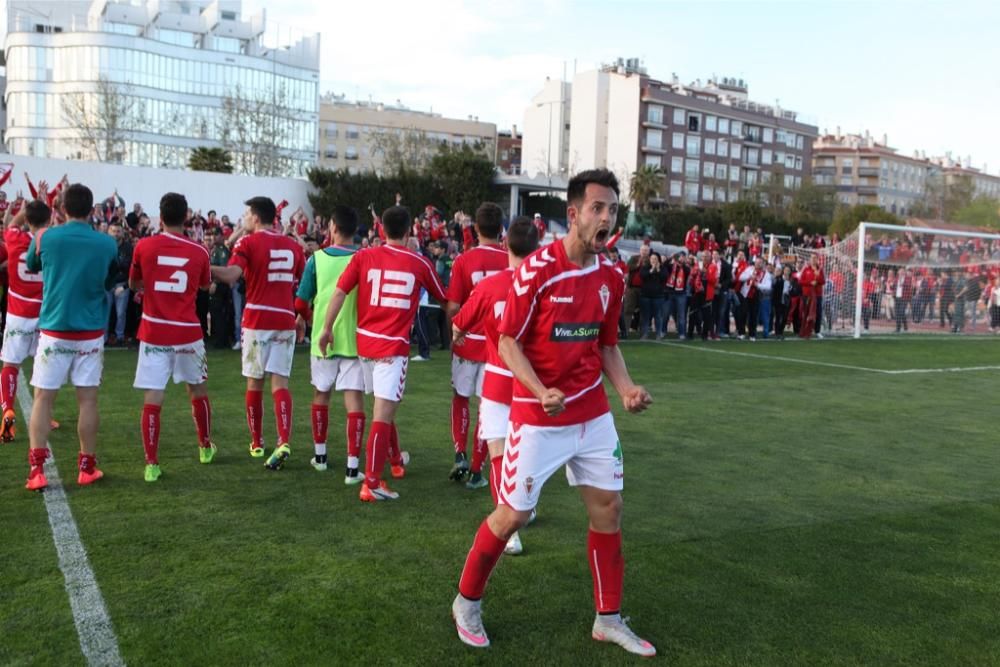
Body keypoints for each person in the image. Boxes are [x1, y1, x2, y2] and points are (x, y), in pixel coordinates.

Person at [451, 169, 655, 657]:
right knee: (513, 514)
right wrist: (540, 389)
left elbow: (607, 345)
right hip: (538, 416)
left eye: (613, 209)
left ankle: (607, 618)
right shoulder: (536, 271)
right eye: (598, 208)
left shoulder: (611, 273)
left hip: (592, 413)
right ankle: (466, 601)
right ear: (574, 214)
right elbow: (506, 341)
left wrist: (625, 389)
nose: (607, 218)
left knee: (609, 508)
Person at [317, 205, 447, 502]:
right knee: (382, 413)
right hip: (392, 347)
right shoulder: (420, 262)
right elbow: (444, 300)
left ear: (380, 230)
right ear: (411, 230)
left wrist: (327, 328)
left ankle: (396, 463)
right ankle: (372, 482)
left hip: (366, 345)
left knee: (382, 409)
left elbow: (339, 292)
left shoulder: (364, 255)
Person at [451, 216, 539, 555]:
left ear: (506, 245)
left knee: (500, 454)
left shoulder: (490, 285)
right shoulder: (546, 283)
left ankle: (510, 531)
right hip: (534, 383)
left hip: (500, 381)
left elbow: (459, 323)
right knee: (530, 453)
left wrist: (459, 334)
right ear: (537, 249)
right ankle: (527, 507)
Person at [24, 184, 118, 491]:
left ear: (62, 209)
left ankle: (36, 470)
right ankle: (86, 467)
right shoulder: (106, 243)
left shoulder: (45, 237)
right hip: (89, 333)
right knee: (88, 400)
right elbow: (108, 277)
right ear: (92, 210)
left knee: (43, 398)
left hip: (54, 330)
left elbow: (33, 264)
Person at [211, 197, 305, 469]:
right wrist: (300, 317)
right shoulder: (292, 246)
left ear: (255, 217)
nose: (244, 218)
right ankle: (283, 439)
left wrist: (203, 268)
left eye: (246, 214)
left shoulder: (248, 242)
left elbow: (231, 276)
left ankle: (256, 443)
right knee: (281, 384)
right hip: (285, 318)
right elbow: (303, 285)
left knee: (255, 382)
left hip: (257, 319)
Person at [128, 193, 214, 482]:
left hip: (154, 330)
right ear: (186, 217)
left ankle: (151, 463)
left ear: (160, 217)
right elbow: (204, 287)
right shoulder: (200, 251)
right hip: (188, 332)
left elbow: (133, 283)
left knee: (153, 398)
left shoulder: (144, 246)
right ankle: (204, 446)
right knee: (198, 390)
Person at [293, 205, 368, 484]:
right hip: (354, 339)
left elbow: (300, 302)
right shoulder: (364, 259)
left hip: (323, 340)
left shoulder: (317, 259)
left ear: (333, 228)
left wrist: (309, 319)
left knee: (321, 394)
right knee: (354, 400)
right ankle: (352, 468)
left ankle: (321, 457)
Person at [445, 203, 508, 487]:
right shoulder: (511, 259)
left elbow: (454, 305)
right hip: (498, 347)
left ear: (476, 229)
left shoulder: (464, 260)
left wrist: (454, 332)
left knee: (460, 397)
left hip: (467, 340)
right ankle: (476, 469)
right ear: (501, 229)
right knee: (488, 407)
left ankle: (460, 451)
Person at [1, 200, 60, 442]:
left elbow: (10, 224)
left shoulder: (14, 238)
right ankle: (44, 414)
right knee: (43, 366)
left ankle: (7, 411)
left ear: (27, 219)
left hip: (18, 311)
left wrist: (21, 209)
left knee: (10, 365)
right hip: (44, 313)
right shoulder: (52, 243)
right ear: (48, 221)